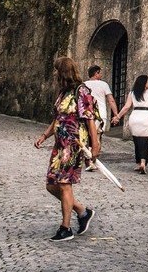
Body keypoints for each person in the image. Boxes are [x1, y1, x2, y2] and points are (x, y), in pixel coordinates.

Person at [34, 55, 99, 241]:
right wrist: (45, 136)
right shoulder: (63, 93)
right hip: (59, 145)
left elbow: (89, 118)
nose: (54, 74)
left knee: (64, 184)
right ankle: (82, 211)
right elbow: (58, 118)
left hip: (73, 145)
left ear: (63, 72)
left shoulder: (82, 91)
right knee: (51, 185)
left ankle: (66, 228)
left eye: (56, 70)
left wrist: (95, 145)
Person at [116, 74, 148, 174]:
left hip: (135, 117)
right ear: (144, 83)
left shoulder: (132, 93)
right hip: (146, 117)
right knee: (146, 141)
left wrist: (118, 117)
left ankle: (138, 163)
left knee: (137, 140)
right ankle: (143, 162)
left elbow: (126, 107)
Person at [81, 65, 118, 171]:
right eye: (100, 73)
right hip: (100, 115)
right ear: (96, 73)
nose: (101, 75)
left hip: (87, 114)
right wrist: (116, 114)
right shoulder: (103, 85)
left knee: (87, 137)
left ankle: (88, 160)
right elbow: (110, 100)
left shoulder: (84, 85)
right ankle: (92, 160)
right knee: (97, 137)